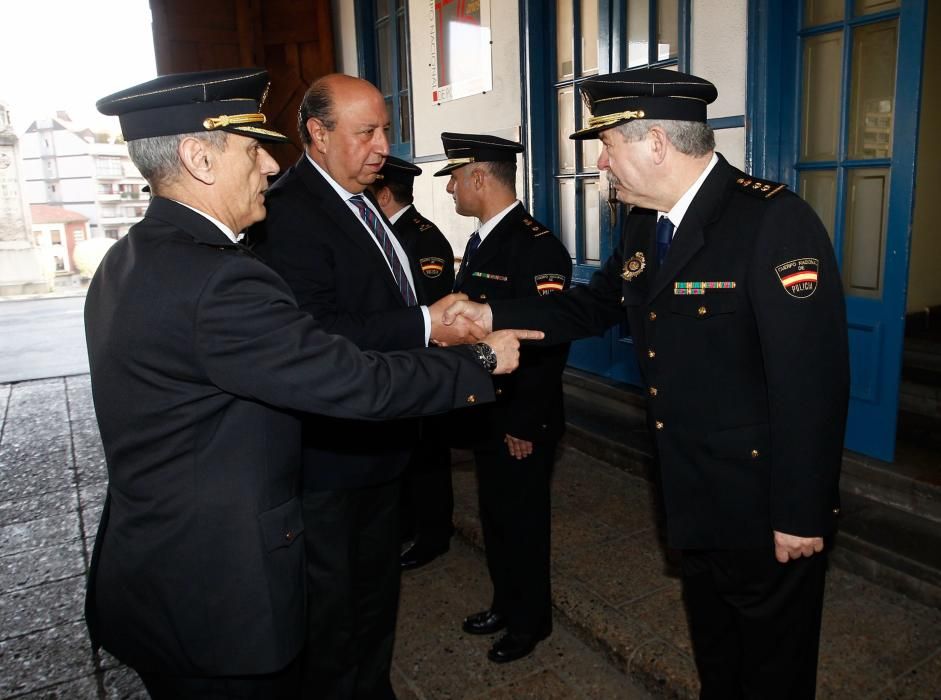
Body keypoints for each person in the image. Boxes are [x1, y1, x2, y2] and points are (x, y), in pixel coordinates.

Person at [86, 67, 537, 700]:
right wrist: (479, 364)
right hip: (218, 591)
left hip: (164, 567)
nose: (271, 166)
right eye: (252, 149)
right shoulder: (219, 282)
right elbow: (350, 380)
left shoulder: (132, 256)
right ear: (197, 157)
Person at [443, 68, 850, 698]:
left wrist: (801, 509)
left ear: (656, 143)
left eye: (608, 146)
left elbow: (812, 382)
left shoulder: (771, 221)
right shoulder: (643, 222)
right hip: (689, 490)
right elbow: (591, 306)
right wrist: (493, 314)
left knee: (773, 665)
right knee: (716, 650)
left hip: (761, 500)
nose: (602, 163)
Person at [248, 74, 484, 699]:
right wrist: (427, 324)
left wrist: (431, 318)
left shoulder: (359, 202)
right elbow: (317, 333)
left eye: (385, 130)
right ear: (318, 136)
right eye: (366, 133)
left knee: (375, 600)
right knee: (334, 615)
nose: (382, 146)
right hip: (330, 459)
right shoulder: (288, 212)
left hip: (378, 445)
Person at [434, 132, 572, 663]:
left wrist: (525, 421)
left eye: (453, 176)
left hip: (519, 419)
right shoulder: (482, 241)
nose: (448, 188)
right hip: (489, 411)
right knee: (496, 517)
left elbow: (547, 342)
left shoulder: (536, 246)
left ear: (479, 177)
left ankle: (530, 621)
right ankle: (505, 602)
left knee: (524, 523)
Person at [366, 156, 458, 570]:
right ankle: (405, 526)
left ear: (384, 194)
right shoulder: (382, 234)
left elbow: (429, 310)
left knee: (429, 461)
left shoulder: (423, 240)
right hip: (396, 368)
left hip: (423, 368)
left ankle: (433, 535)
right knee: (406, 458)